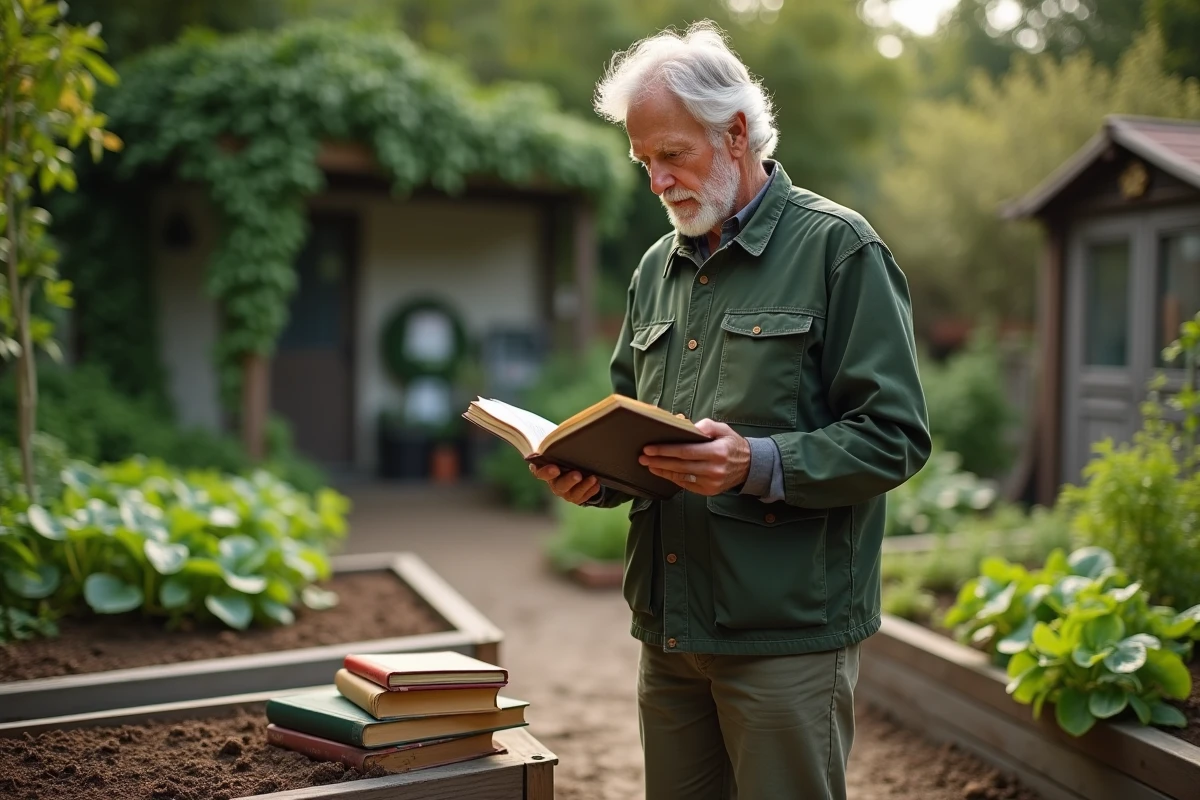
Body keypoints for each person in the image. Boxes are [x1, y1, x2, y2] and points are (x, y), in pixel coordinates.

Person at [530, 20, 931, 800]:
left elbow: (896, 437)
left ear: (736, 132)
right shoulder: (657, 267)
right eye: (644, 162)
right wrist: (592, 477)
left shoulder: (840, 250)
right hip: (671, 632)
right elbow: (629, 421)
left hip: (785, 638)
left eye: (672, 154)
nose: (657, 182)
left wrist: (757, 463)